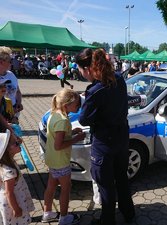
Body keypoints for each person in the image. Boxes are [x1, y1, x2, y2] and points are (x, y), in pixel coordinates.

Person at [75, 48, 135, 225]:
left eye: (79, 70)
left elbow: (84, 119)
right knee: (122, 179)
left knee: (106, 184)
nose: (80, 73)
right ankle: (129, 213)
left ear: (87, 69)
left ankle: (107, 220)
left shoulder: (95, 90)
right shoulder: (119, 79)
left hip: (104, 143)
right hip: (122, 138)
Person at [42, 89, 85, 225]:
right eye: (76, 105)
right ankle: (65, 217)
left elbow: (57, 135)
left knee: (51, 186)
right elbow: (59, 145)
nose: (78, 107)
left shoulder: (54, 114)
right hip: (61, 161)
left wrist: (71, 132)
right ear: (67, 104)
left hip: (52, 159)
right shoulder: (63, 120)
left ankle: (47, 213)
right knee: (66, 188)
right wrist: (77, 138)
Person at [0, 129, 35, 225]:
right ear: (7, 151)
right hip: (13, 203)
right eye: (15, 143)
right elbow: (9, 193)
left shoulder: (7, 162)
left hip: (13, 200)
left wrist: (15, 140)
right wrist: (16, 209)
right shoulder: (9, 171)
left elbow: (19, 142)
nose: (18, 142)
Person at [0, 46, 23, 117]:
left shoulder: (11, 74)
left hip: (14, 111)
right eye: (10, 61)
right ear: (1, 62)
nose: (11, 63)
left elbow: (18, 91)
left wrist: (19, 103)